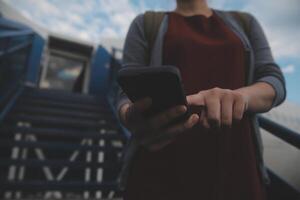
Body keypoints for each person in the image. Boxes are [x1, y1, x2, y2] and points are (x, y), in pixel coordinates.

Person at [115, 0, 286, 199]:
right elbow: (125, 91)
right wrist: (127, 115)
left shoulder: (245, 22)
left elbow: (274, 80)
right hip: (158, 170)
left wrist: (241, 97)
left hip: (237, 168)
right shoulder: (145, 23)